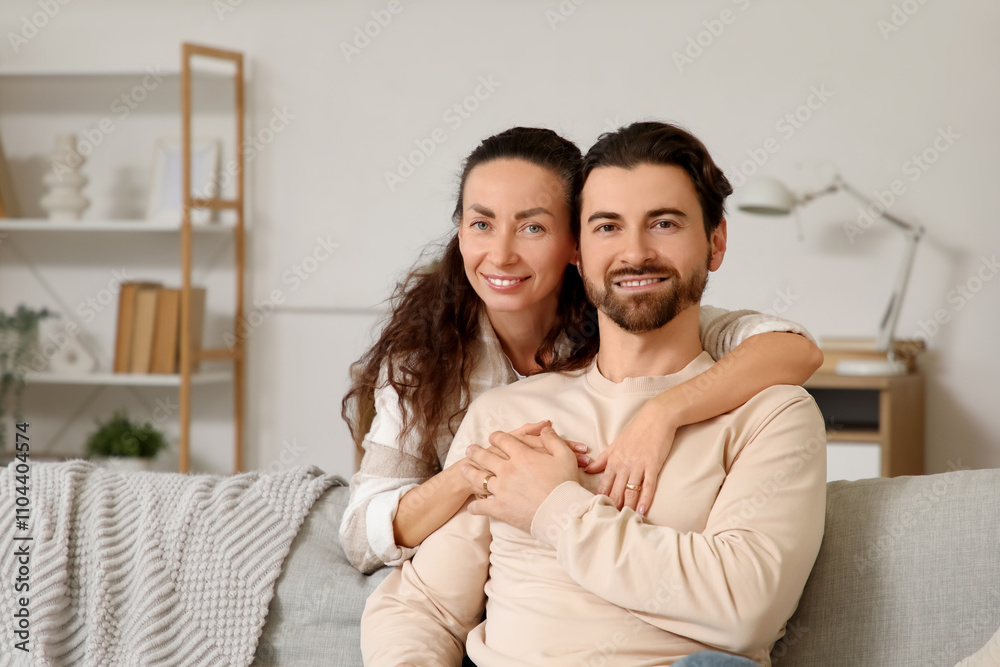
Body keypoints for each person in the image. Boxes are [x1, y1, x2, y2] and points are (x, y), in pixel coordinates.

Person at [360, 121, 828, 666]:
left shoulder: (773, 414)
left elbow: (744, 606)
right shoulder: (507, 415)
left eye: (664, 223)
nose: (635, 252)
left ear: (715, 242)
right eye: (608, 227)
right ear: (577, 252)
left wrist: (553, 508)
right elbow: (422, 607)